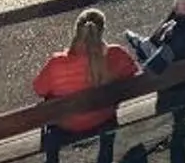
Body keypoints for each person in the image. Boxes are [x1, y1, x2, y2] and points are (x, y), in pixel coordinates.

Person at [32, 8, 138, 151]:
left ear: (77, 31)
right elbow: (134, 79)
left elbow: (39, 89)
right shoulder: (116, 54)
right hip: (104, 120)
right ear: (102, 31)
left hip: (66, 128)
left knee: (47, 103)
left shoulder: (57, 63)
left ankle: (51, 159)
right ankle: (106, 154)